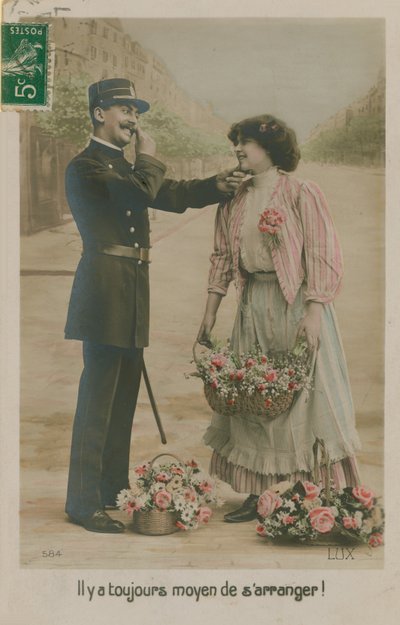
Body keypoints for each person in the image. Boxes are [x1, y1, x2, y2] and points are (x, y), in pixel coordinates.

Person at [64, 78, 244, 533]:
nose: (134, 119)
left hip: (131, 289)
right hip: (104, 291)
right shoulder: (86, 166)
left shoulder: (123, 168)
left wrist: (216, 185)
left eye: (136, 111)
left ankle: (108, 492)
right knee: (98, 398)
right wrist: (147, 155)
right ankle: (82, 503)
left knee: (123, 398)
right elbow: (141, 191)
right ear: (98, 113)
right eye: (124, 109)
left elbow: (171, 192)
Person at [197, 114, 361, 523]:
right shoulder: (233, 197)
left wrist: (314, 311)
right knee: (253, 394)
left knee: (300, 399)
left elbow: (323, 254)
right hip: (253, 305)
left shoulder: (301, 192)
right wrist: (210, 315)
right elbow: (221, 257)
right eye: (236, 142)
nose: (238, 149)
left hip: (296, 305)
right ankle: (258, 492)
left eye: (246, 142)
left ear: (270, 149)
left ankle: (303, 491)